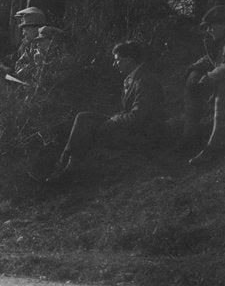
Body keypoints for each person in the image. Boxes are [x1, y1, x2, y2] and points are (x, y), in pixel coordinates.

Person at [47, 41, 165, 182]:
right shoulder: (133, 77)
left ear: (129, 60)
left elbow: (139, 116)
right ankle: (66, 164)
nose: (114, 64)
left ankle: (69, 168)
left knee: (89, 127)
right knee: (83, 118)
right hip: (134, 127)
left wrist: (114, 120)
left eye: (117, 60)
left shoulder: (145, 80)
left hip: (145, 134)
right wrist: (115, 118)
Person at [182, 6, 225, 166]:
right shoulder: (222, 41)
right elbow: (213, 59)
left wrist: (210, 76)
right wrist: (195, 68)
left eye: (211, 26)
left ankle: (213, 148)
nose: (209, 30)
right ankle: (191, 135)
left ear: (224, 25)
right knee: (193, 79)